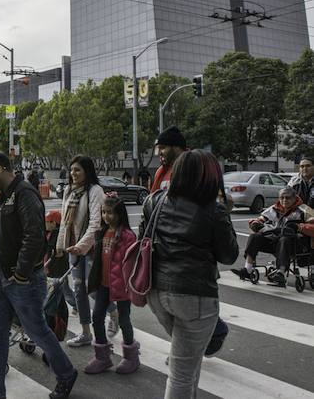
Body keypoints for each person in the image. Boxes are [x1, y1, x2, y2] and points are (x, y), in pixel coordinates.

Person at [0, 151, 77, 399]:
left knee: (37, 331)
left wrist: (23, 273)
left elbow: (35, 237)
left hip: (21, 281)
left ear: (0, 170)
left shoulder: (25, 194)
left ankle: (66, 374)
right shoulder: (5, 196)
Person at [143, 149, 239, 399]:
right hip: (194, 297)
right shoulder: (213, 210)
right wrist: (225, 213)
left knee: (188, 362)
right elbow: (229, 256)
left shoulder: (154, 201)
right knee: (182, 373)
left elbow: (145, 239)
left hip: (156, 291)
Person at [151, 125, 231, 359]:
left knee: (191, 304)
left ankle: (213, 334)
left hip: (196, 251)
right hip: (167, 255)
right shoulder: (161, 171)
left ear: (179, 147)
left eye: (163, 147)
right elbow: (153, 202)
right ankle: (185, 347)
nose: (159, 153)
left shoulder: (197, 167)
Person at [57, 155, 119, 348]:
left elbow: (96, 224)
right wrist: (60, 246)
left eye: (78, 170)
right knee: (78, 290)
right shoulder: (69, 190)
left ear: (87, 172)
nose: (73, 173)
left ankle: (114, 313)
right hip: (73, 247)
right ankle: (85, 332)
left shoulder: (95, 191)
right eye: (72, 170)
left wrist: (81, 246)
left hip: (92, 248)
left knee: (91, 288)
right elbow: (65, 222)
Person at [85, 193, 140, 374]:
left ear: (119, 213)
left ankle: (131, 357)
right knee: (97, 317)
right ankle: (102, 356)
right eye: (103, 212)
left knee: (124, 320)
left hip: (122, 286)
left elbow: (132, 263)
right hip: (104, 284)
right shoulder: (102, 232)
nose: (106, 216)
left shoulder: (127, 236)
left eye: (110, 213)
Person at [230, 186, 314, 287]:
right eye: (282, 198)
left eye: (287, 198)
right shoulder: (274, 209)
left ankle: (281, 272)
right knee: (254, 237)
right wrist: (255, 224)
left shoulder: (304, 210)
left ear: (295, 198)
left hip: (296, 244)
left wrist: (299, 227)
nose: (284, 200)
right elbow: (260, 219)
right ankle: (247, 269)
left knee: (284, 240)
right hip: (274, 240)